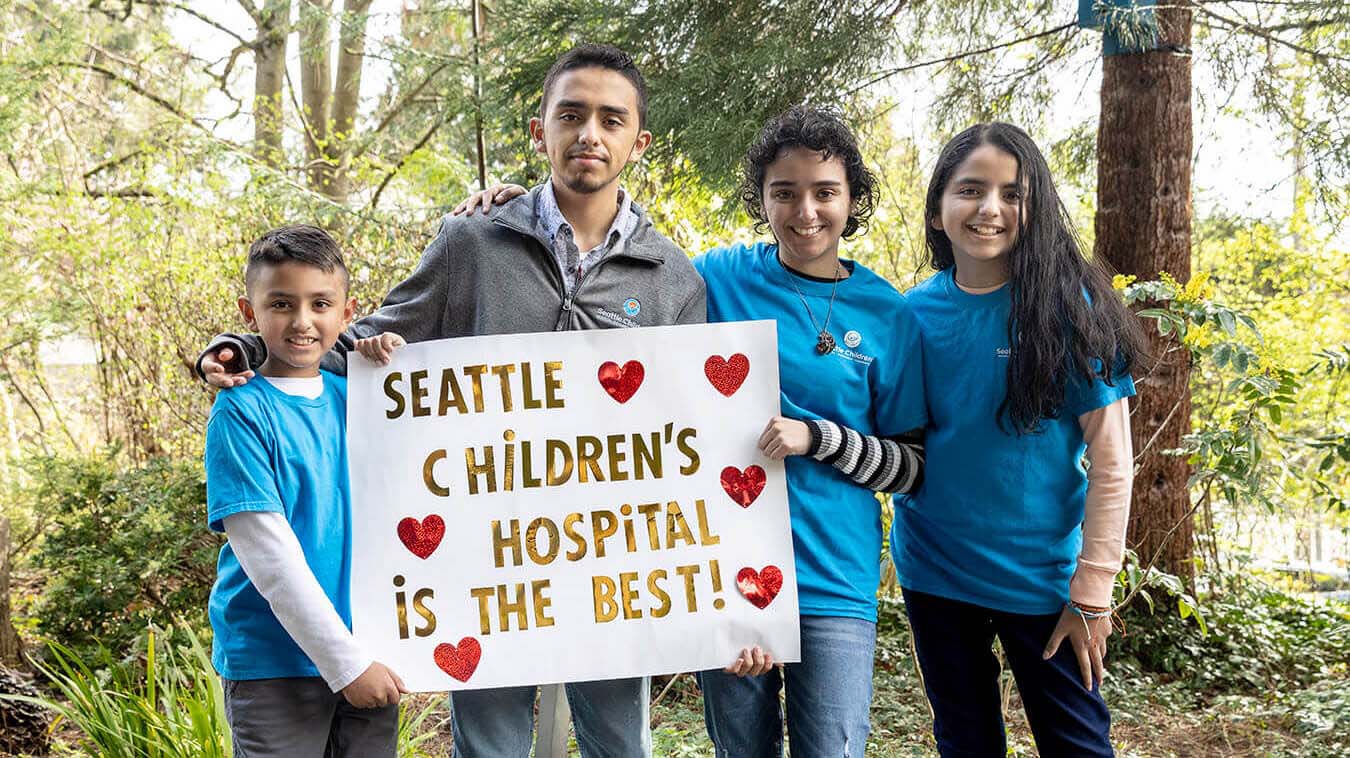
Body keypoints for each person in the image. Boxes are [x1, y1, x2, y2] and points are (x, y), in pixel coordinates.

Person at [196, 45, 704, 758]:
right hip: (486, 564)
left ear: (636, 141)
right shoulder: (472, 243)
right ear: (540, 131)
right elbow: (352, 343)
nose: (590, 132)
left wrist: (728, 612)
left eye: (610, 119)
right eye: (572, 114)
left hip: (607, 563)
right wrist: (246, 349)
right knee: (489, 747)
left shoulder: (672, 277)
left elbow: (694, 436)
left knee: (621, 745)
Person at [454, 104, 927, 758]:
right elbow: (616, 255)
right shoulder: (714, 276)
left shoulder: (888, 314)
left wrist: (819, 439)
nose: (805, 211)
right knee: (740, 749)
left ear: (853, 199)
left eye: (825, 193)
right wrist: (513, 208)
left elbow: (912, 467)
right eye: (784, 193)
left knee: (834, 748)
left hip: (833, 584)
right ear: (761, 199)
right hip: (721, 573)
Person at [895, 122, 1145, 756]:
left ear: (1035, 208)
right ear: (938, 206)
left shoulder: (1071, 307)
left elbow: (1113, 464)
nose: (990, 209)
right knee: (965, 740)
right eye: (971, 189)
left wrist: (1092, 591)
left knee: (1078, 745)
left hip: (1044, 587)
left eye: (1013, 193)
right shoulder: (911, 313)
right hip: (934, 573)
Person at [205, 224, 406, 756]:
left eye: (320, 304)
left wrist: (395, 366)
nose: (302, 321)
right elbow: (269, 559)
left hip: (372, 645)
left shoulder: (362, 397)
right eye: (280, 304)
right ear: (249, 314)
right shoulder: (241, 411)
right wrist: (346, 664)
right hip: (276, 663)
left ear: (347, 312)